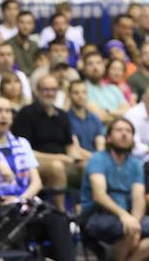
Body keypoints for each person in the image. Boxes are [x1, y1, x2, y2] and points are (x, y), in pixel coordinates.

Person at [0, 96, 75, 261]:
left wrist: (20, 199)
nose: (4, 115)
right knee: (14, 228)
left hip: (24, 205)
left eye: (8, 111)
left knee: (58, 220)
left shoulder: (22, 143)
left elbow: (36, 182)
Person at [79, 118, 149, 261]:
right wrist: (125, 217)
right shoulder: (98, 159)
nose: (124, 134)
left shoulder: (136, 164)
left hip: (127, 215)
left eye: (128, 131)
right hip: (97, 214)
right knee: (127, 228)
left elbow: (138, 198)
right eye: (119, 130)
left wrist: (135, 221)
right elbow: (99, 195)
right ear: (108, 138)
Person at [11, 75, 90, 207]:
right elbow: (23, 150)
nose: (50, 93)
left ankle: (84, 212)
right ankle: (61, 215)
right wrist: (58, 158)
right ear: (37, 91)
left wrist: (76, 157)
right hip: (35, 161)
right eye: (45, 89)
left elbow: (69, 145)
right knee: (56, 166)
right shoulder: (26, 114)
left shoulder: (62, 115)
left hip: (62, 159)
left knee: (90, 166)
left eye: (53, 89)